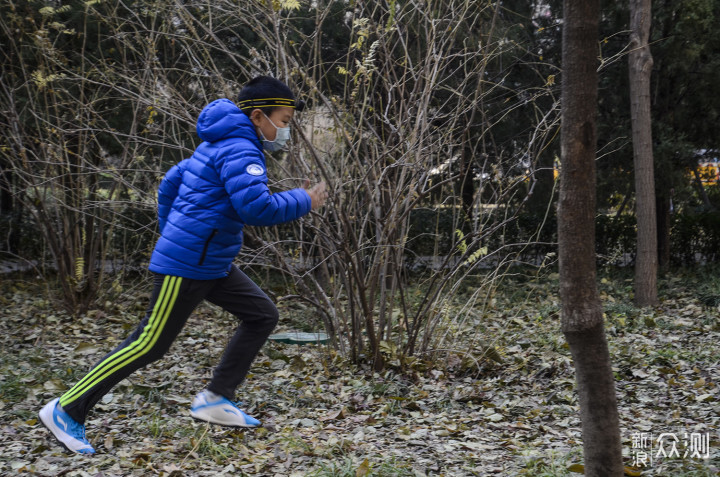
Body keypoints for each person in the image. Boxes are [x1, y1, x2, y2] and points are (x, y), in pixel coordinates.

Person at [39, 76, 328, 455]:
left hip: (210, 262)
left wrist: (175, 233)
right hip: (191, 265)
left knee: (262, 315)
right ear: (259, 116)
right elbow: (256, 209)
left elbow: (170, 184)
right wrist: (305, 199)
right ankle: (65, 410)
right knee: (149, 343)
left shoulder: (215, 144)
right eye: (285, 121)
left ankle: (216, 399)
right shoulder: (240, 148)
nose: (286, 130)